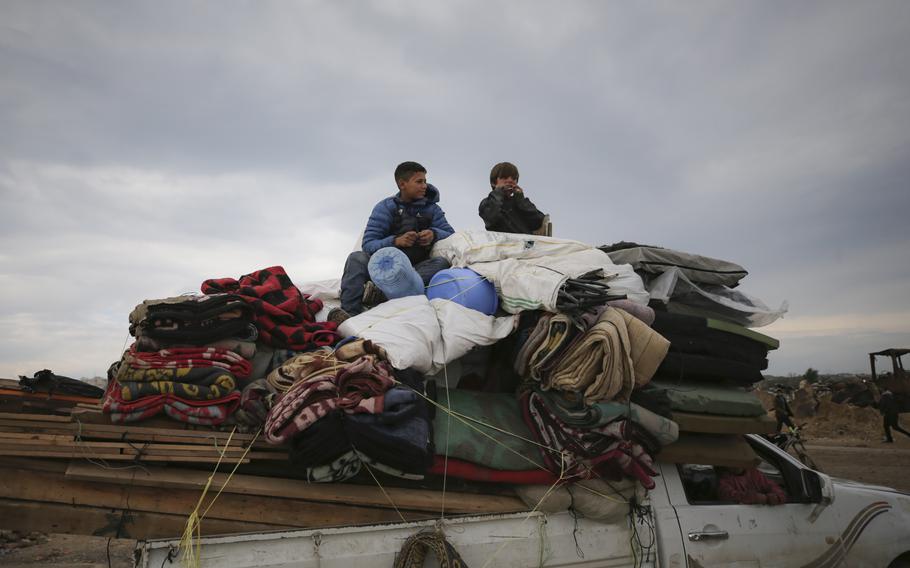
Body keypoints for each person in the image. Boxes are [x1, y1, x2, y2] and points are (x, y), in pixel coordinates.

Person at [334, 162, 454, 319]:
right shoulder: (385, 208)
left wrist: (434, 234)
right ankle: (349, 314)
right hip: (381, 269)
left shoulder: (432, 209)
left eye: (425, 181)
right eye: (419, 181)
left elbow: (451, 235)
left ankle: (382, 295)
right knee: (356, 258)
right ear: (402, 184)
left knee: (441, 263)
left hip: (413, 270)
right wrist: (396, 241)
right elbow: (368, 244)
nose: (424, 186)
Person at [478, 162, 548, 235]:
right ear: (493, 183)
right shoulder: (487, 203)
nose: (510, 181)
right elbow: (491, 218)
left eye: (514, 178)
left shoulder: (520, 203)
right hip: (503, 245)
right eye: (504, 177)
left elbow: (539, 222)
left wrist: (521, 200)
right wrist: (498, 192)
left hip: (525, 244)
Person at [716, 466, 787, 505]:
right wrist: (755, 498)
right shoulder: (722, 479)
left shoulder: (754, 473)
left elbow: (777, 491)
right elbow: (729, 495)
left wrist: (775, 498)